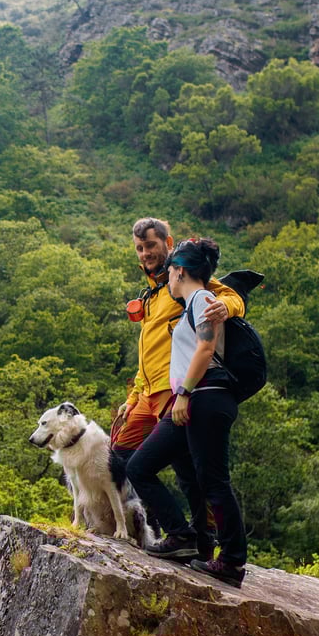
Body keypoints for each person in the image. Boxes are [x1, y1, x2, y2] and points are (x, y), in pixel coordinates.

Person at [113, 218, 244, 555]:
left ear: (167, 244)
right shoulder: (154, 295)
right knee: (120, 454)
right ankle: (161, 526)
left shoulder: (183, 281)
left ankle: (197, 540)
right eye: (140, 249)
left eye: (151, 246)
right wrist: (132, 398)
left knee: (188, 473)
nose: (145, 254)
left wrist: (223, 308)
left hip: (176, 392)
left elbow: (233, 298)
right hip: (146, 395)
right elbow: (149, 355)